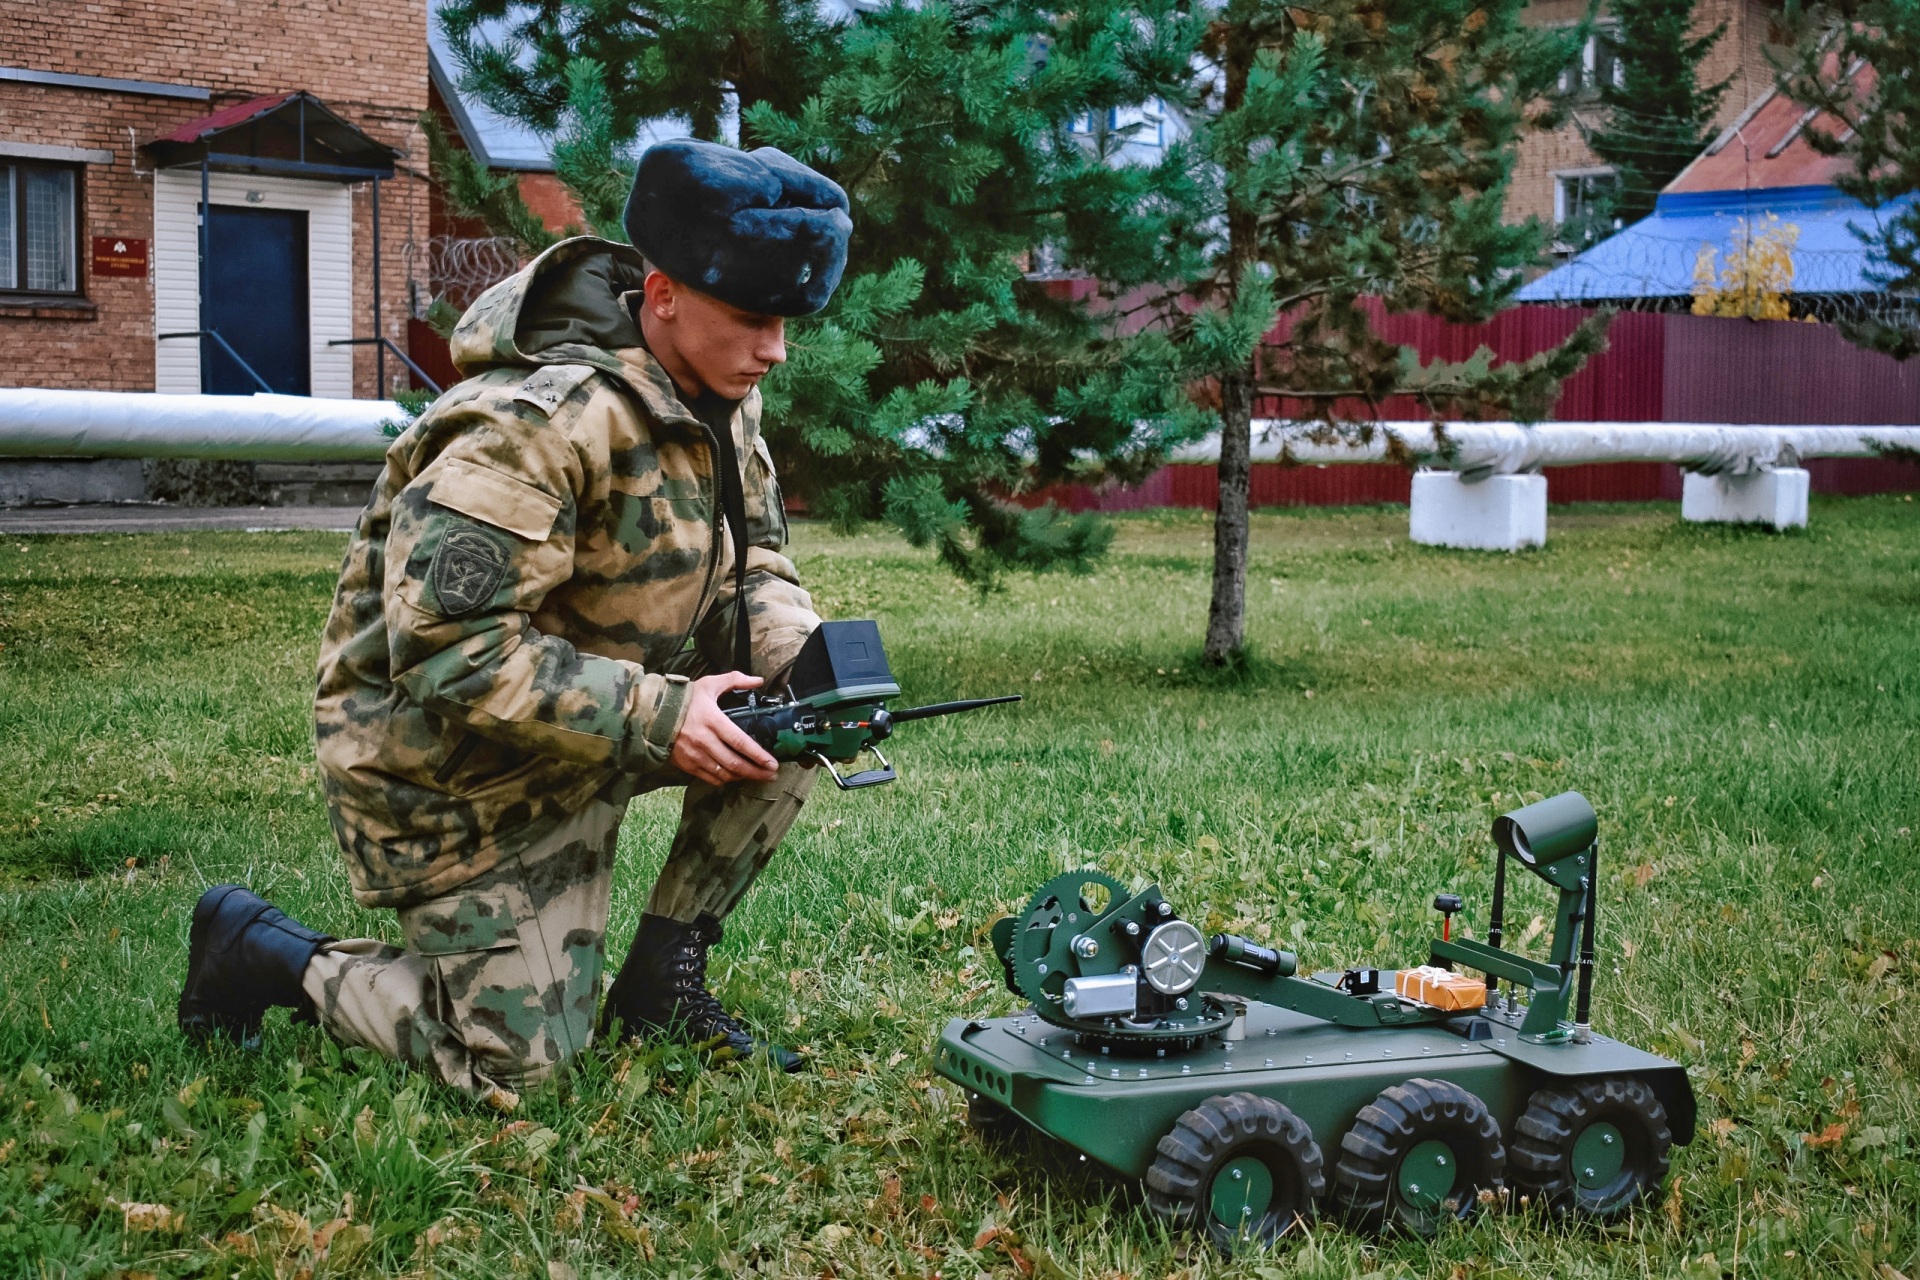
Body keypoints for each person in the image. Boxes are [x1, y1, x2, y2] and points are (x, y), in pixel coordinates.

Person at [175, 140, 852, 1106]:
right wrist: (664, 716)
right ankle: (266, 954)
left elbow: (757, 567)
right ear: (661, 295)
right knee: (519, 1071)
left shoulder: (720, 399)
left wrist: (798, 656)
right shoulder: (527, 426)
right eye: (752, 319)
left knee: (797, 720)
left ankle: (660, 985)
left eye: (785, 322)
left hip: (591, 725)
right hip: (457, 773)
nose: (775, 349)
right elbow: (449, 653)